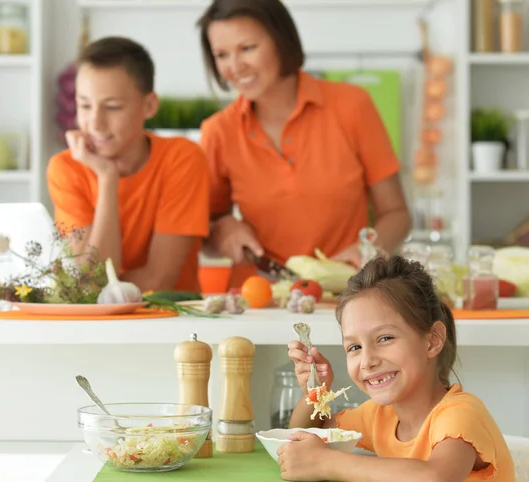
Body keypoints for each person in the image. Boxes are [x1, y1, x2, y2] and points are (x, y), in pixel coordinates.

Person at [196, 0, 411, 287]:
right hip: (258, 298)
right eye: (221, 55)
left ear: (282, 41)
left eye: (247, 48)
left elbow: (397, 214)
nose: (234, 67)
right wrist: (222, 230)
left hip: (347, 294)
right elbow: (203, 233)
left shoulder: (351, 106)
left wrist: (368, 251)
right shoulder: (218, 131)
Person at [281, 255, 515, 481]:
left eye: (384, 338)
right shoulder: (378, 416)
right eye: (354, 347)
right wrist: (315, 392)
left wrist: (325, 462)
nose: (367, 360)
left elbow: (435, 477)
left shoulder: (460, 413)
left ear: (432, 340)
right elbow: (310, 434)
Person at [47, 36, 209, 292]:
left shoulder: (182, 158)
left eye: (112, 107)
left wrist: (92, 289)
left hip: (172, 321)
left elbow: (159, 280)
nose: (95, 123)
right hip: (93, 326)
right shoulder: (66, 168)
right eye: (85, 105)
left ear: (149, 105)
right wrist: (107, 178)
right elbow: (93, 278)